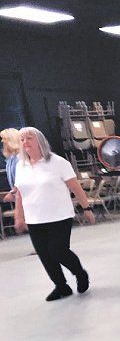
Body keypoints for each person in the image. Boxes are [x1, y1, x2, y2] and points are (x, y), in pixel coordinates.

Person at [13, 127, 93, 301]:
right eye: (22, 140)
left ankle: (80, 273)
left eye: (29, 138)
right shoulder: (21, 166)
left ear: (40, 141)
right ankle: (61, 286)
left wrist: (86, 208)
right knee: (45, 255)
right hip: (35, 218)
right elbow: (19, 193)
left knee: (58, 250)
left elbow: (75, 187)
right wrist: (19, 216)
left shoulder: (58, 162)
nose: (25, 142)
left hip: (59, 216)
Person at [1, 128, 21, 203]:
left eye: (4, 139)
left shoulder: (20, 158)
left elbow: (22, 180)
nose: (2, 141)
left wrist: (12, 193)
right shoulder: (10, 159)